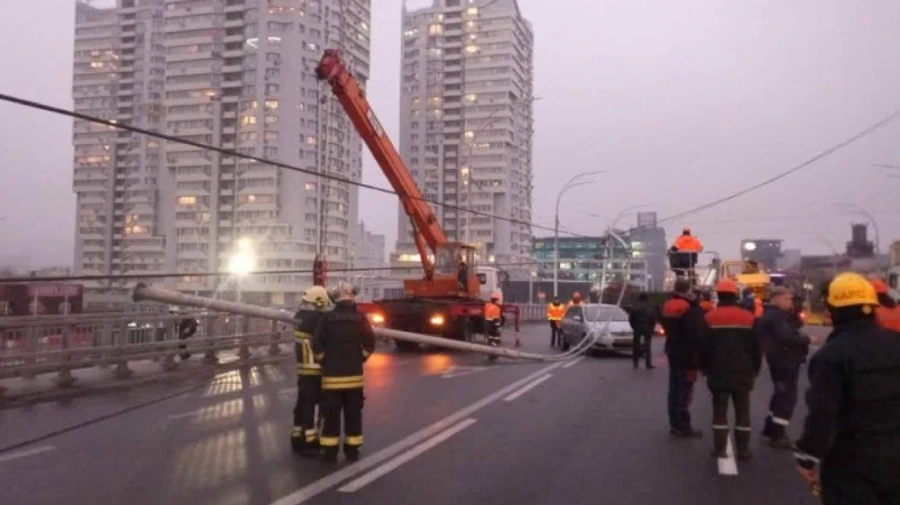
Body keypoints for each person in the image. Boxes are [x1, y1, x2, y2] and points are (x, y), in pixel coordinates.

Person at [794, 272, 900, 504]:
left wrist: (807, 456)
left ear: (834, 311)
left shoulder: (832, 356)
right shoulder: (895, 342)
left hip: (851, 463)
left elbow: (823, 414)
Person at [313, 281, 376, 462]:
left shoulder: (326, 318)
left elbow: (316, 343)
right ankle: (352, 450)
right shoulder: (360, 318)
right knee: (353, 415)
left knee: (331, 417)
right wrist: (360, 358)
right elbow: (370, 342)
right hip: (354, 379)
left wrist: (323, 360)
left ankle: (330, 451)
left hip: (331, 380)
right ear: (352, 297)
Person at [701, 279, 761, 460]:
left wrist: (705, 369)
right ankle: (743, 449)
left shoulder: (709, 318)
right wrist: (755, 369)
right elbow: (756, 348)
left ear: (718, 295)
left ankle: (720, 448)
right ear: (736, 296)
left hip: (718, 372)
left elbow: (704, 348)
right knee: (743, 411)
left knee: (719, 410)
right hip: (743, 372)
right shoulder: (749, 318)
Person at [756, 285, 811, 448]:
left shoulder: (775, 315)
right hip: (785, 361)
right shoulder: (776, 317)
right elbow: (787, 337)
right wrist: (807, 340)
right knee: (786, 398)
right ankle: (777, 434)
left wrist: (795, 311)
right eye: (787, 298)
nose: (790, 302)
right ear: (776, 298)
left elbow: (795, 326)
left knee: (780, 396)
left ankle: (770, 429)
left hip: (781, 361)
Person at [661, 278, 707, 438]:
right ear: (688, 291)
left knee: (674, 388)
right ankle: (683, 424)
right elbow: (695, 331)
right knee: (685, 390)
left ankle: (675, 423)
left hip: (673, 351)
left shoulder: (669, 304)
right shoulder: (687, 307)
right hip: (687, 355)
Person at [290, 285, 332, 456]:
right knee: (314, 406)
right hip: (315, 368)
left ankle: (297, 435)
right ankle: (310, 440)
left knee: (302, 403)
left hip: (302, 368)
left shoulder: (299, 317)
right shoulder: (318, 319)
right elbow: (322, 338)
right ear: (319, 302)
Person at [628, 292, 657, 369]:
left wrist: (634, 327)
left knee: (636, 345)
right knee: (648, 346)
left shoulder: (635, 306)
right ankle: (648, 363)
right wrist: (651, 328)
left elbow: (631, 319)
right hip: (647, 328)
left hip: (637, 327)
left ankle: (635, 362)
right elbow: (653, 318)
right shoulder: (651, 307)